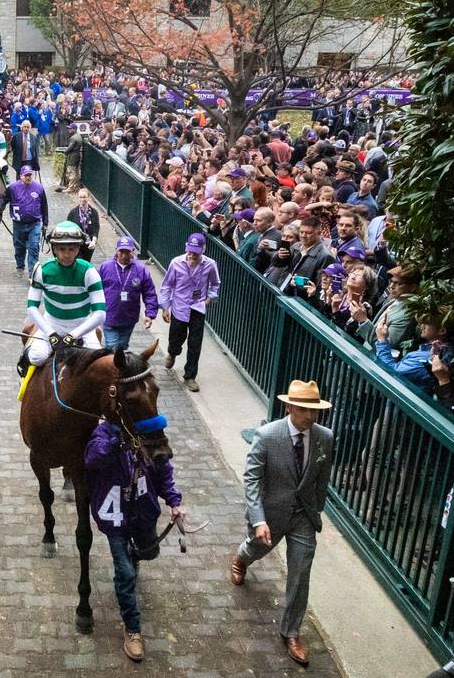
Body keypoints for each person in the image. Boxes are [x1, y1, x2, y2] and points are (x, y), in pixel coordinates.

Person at [230, 379, 335, 667]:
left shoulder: (325, 437)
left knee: (300, 573)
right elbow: (251, 480)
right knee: (256, 548)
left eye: (315, 411)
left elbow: (322, 477)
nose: (311, 417)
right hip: (272, 514)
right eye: (304, 411)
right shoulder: (266, 435)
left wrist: (317, 509)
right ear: (289, 407)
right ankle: (241, 558)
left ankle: (291, 632)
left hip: (303, 517)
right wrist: (259, 519)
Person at [84, 413, 183, 662]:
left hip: (143, 513)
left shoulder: (151, 436)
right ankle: (133, 629)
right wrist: (118, 443)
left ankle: (134, 557)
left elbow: (163, 473)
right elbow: (92, 458)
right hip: (115, 515)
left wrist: (174, 501)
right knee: (125, 574)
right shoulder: (104, 434)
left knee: (148, 552)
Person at [17, 222, 106, 396]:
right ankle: (24, 385)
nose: (66, 254)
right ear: (54, 250)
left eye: (71, 249)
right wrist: (50, 333)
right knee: (36, 356)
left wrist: (74, 335)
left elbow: (100, 314)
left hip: (82, 326)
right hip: (52, 324)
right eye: (62, 249)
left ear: (78, 250)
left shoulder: (89, 272)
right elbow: (32, 308)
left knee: (97, 362)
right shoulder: (42, 271)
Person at [159, 232, 221, 392]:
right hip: (179, 308)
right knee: (176, 337)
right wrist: (166, 307)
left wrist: (209, 299)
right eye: (190, 250)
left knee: (195, 344)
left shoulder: (210, 264)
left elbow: (215, 284)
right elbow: (167, 285)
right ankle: (172, 353)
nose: (192, 254)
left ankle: (190, 376)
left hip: (198, 308)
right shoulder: (176, 263)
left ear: (203, 250)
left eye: (196, 251)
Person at [97, 237, 158, 351]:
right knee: (111, 346)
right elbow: (95, 290)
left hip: (129, 318)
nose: (124, 255)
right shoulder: (106, 267)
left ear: (133, 251)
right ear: (116, 251)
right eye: (121, 252)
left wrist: (150, 314)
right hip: (109, 316)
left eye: (127, 252)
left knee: (122, 347)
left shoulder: (141, 269)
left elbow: (149, 293)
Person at [6, 166, 49, 277]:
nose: (28, 177)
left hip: (34, 223)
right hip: (18, 224)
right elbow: (3, 199)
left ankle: (32, 273)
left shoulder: (39, 188)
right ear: (21, 176)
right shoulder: (12, 188)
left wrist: (45, 222)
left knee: (34, 247)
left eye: (30, 175)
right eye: (26, 175)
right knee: (19, 247)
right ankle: (20, 266)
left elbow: (44, 206)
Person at [66, 188, 100, 263]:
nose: (82, 199)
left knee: (86, 263)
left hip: (89, 244)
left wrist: (94, 241)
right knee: (78, 262)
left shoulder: (94, 212)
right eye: (80, 197)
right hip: (77, 243)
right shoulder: (73, 213)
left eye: (84, 197)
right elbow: (68, 227)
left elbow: (96, 228)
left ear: (88, 198)